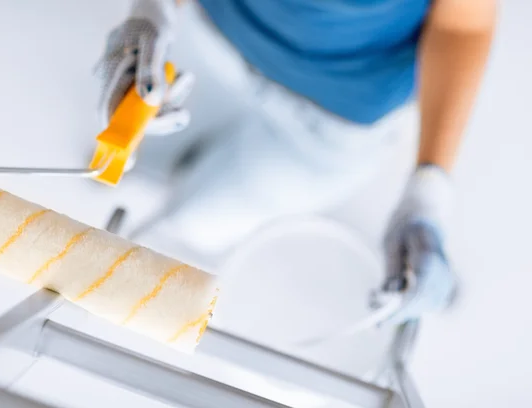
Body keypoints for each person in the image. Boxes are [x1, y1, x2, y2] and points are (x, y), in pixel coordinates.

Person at [96, 0, 496, 325]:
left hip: (333, 118)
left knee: (192, 225)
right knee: (143, 160)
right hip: (214, 33)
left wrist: (428, 192)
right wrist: (152, 13)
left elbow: (464, 25)